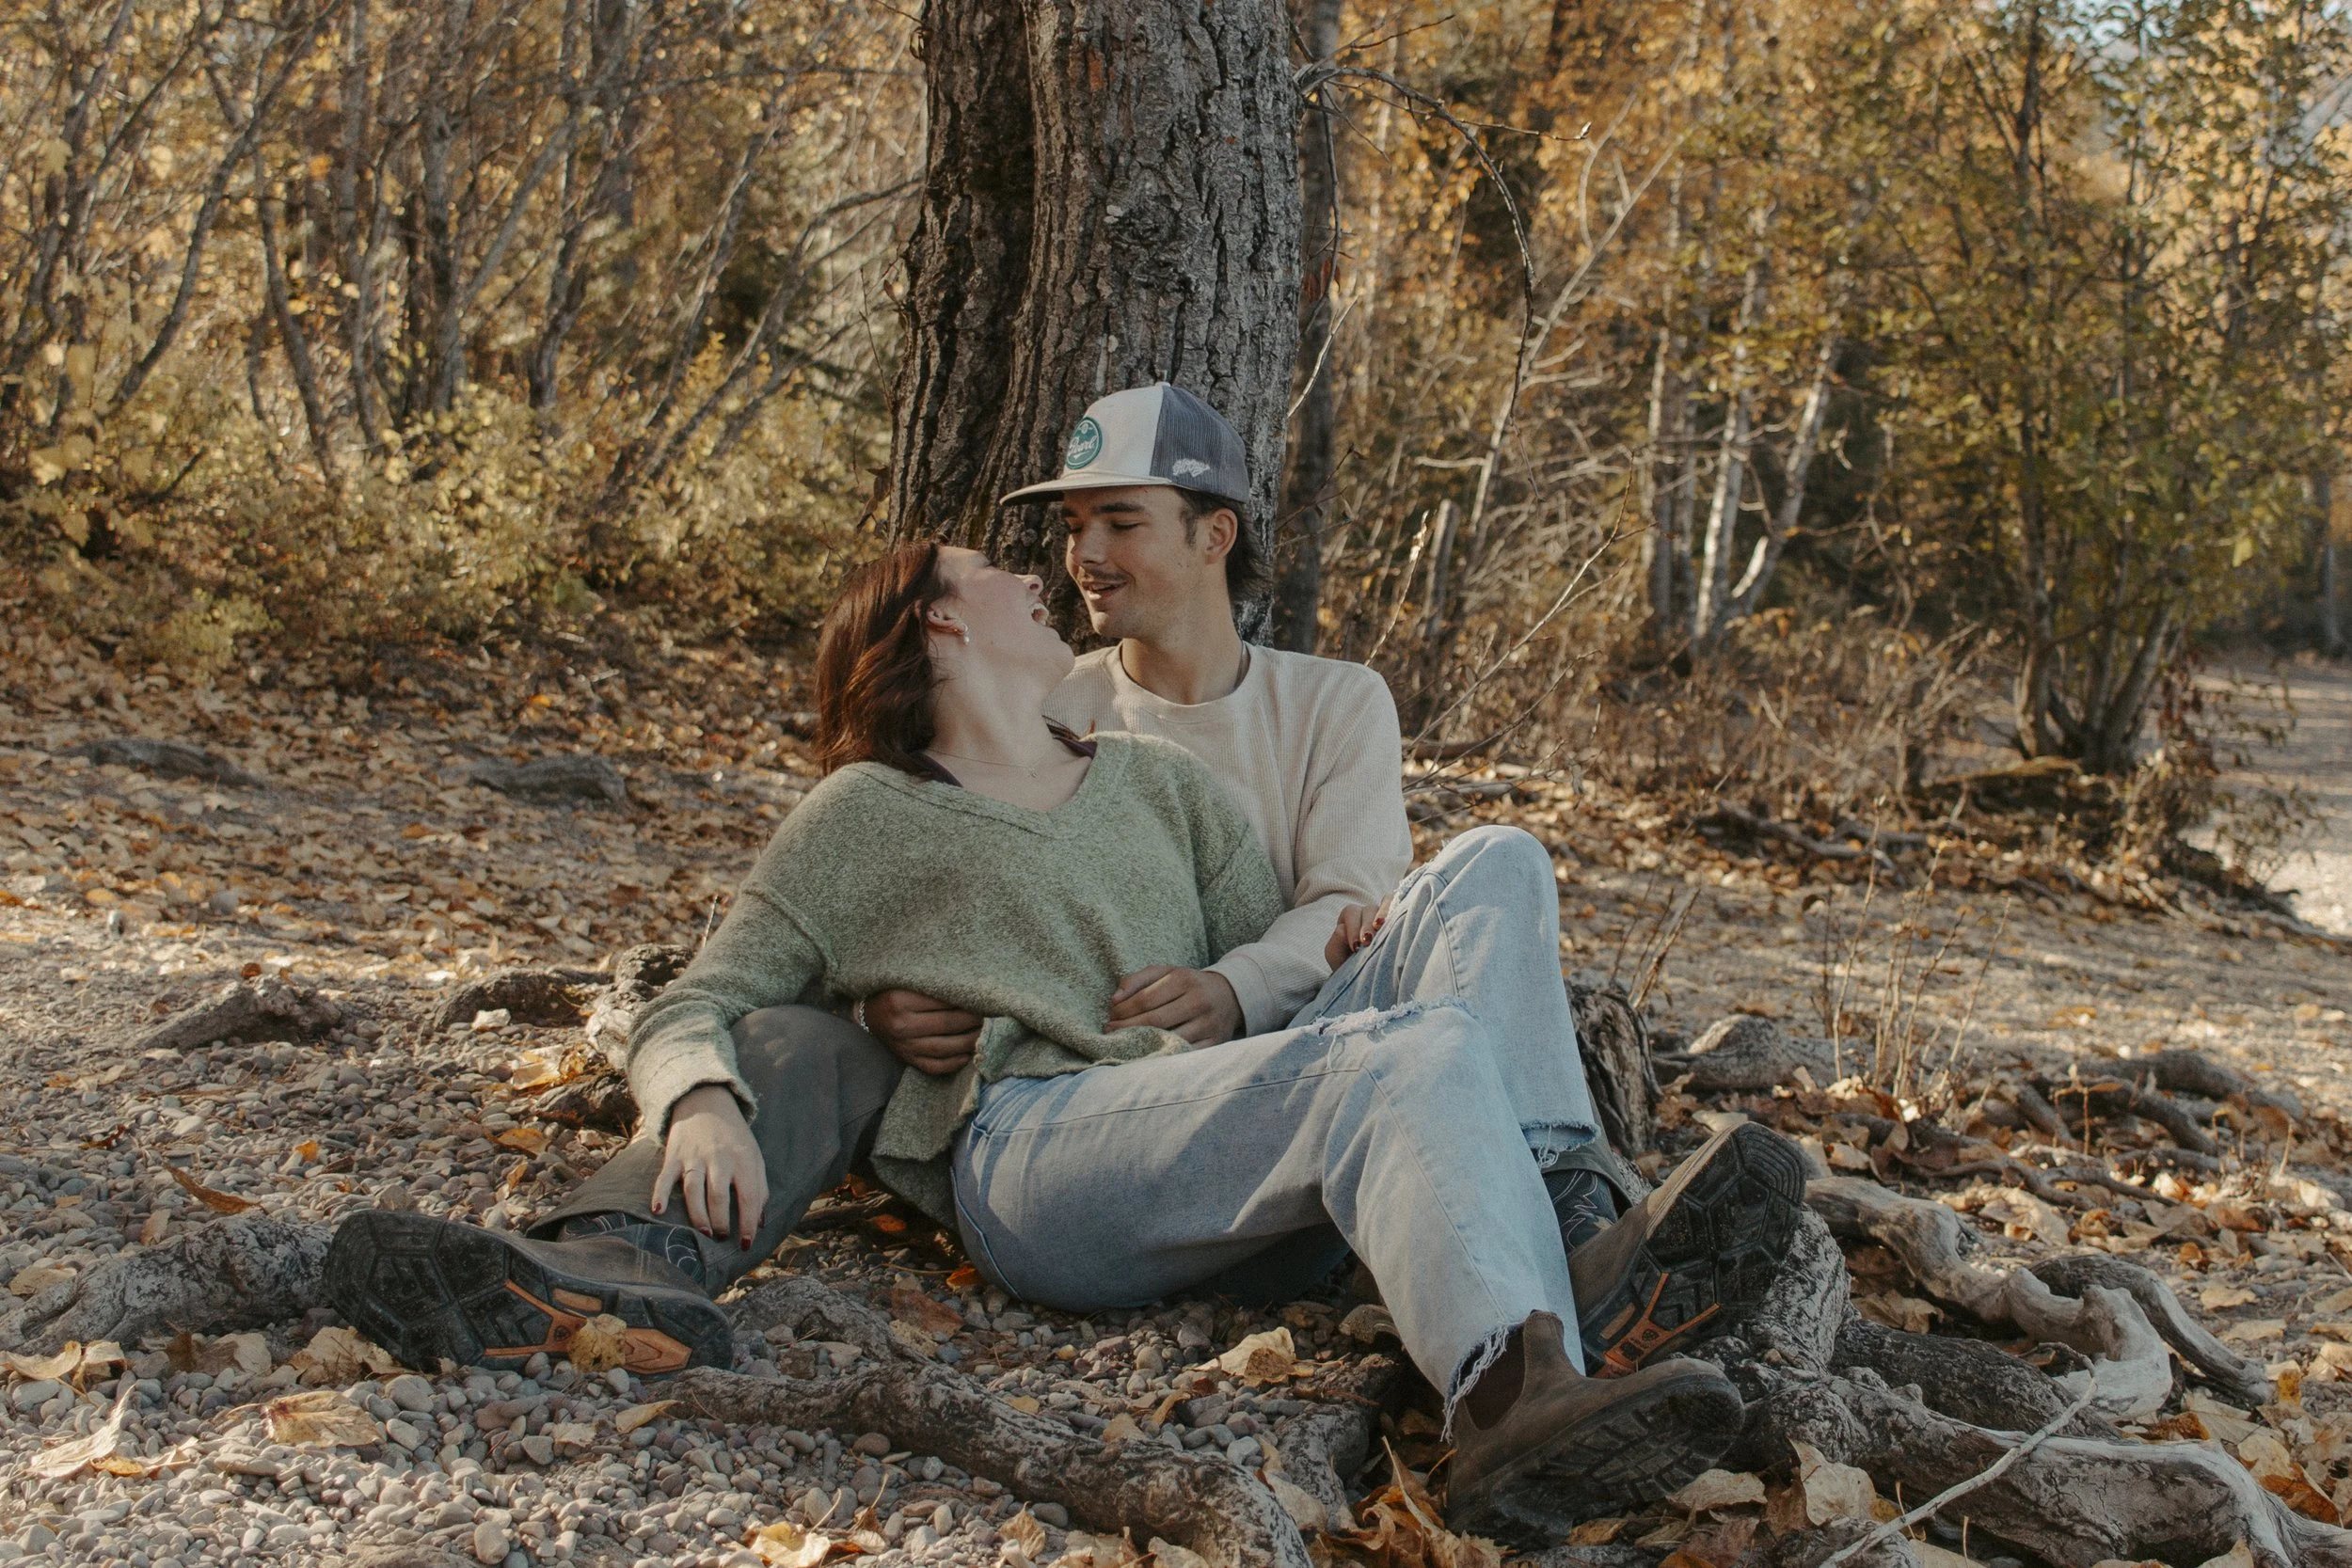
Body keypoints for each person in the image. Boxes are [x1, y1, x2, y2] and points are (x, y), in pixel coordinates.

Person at [326, 539, 1802, 1533]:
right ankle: (1512, 1394)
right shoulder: (868, 814)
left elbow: (1272, 965)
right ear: (940, 623)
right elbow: (702, 993)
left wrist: (1282, 968)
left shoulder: (1161, 790)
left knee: (1493, 864)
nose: (1044, 586)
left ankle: (1566, 1252)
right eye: (1000, 574)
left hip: (1225, 1118)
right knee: (1401, 1058)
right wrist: (705, 1096)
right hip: (1042, 1155)